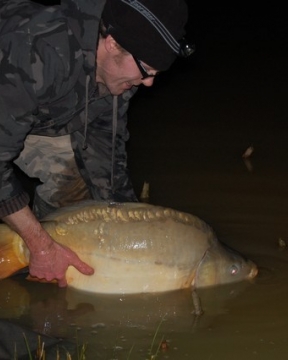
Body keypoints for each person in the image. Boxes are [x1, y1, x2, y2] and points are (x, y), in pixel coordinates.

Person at [0, 0, 194, 286]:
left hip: (32, 114)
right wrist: (39, 244)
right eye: (147, 70)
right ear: (113, 44)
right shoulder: (37, 51)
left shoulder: (121, 74)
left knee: (78, 190)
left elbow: (104, 148)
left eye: (155, 74)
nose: (149, 83)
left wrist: (127, 225)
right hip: (13, 88)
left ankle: (43, 271)